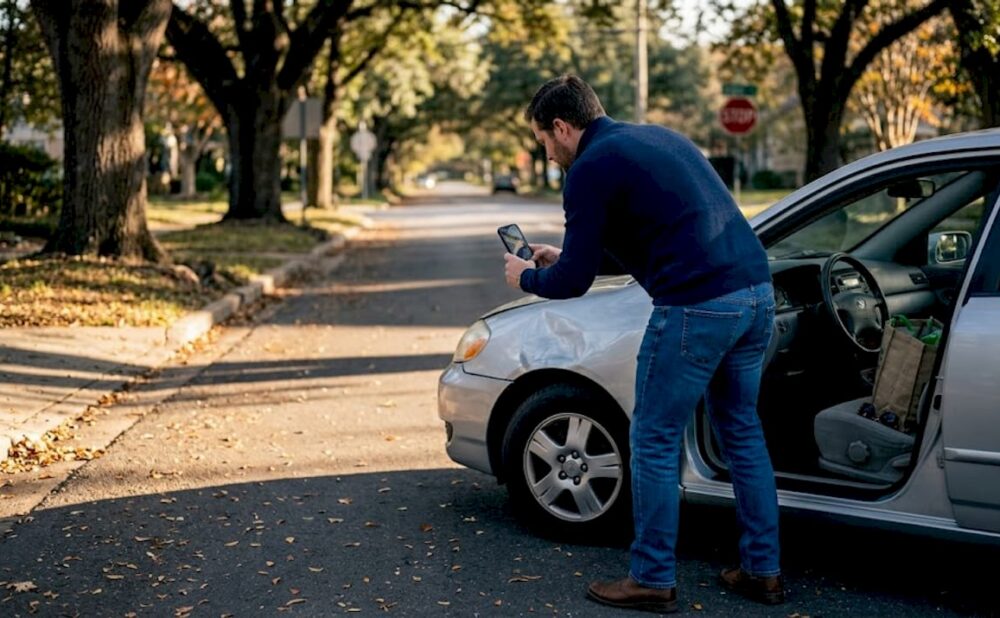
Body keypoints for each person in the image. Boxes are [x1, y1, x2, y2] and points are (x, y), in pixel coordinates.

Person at [503, 75, 783, 613]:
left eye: (542, 139)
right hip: (756, 296)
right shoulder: (660, 138)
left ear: (562, 127)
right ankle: (761, 571)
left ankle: (652, 577)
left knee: (652, 439)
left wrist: (527, 278)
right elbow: (644, 243)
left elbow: (572, 285)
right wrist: (558, 256)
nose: (546, 150)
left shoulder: (587, 170)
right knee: (743, 434)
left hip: (696, 307)